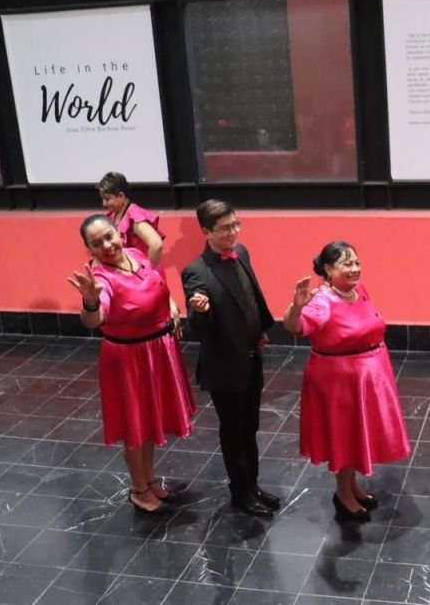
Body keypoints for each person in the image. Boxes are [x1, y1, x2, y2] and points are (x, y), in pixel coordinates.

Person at [66, 215, 195, 513]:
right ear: (89, 249)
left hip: (157, 350)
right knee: (135, 426)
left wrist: (171, 306)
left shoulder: (136, 254)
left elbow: (156, 285)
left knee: (149, 420)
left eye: (108, 236)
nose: (106, 246)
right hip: (128, 360)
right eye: (96, 244)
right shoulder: (101, 278)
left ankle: (149, 480)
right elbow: (95, 319)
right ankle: (138, 490)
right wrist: (90, 302)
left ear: (119, 233)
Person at [282, 241, 410, 523]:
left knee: (356, 435)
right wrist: (296, 307)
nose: (354, 269)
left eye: (356, 262)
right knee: (345, 437)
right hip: (339, 382)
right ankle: (343, 494)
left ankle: (352, 486)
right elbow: (295, 327)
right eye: (346, 264)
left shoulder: (357, 290)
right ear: (328, 270)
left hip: (366, 376)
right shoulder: (322, 301)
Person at [181, 200, 279, 518]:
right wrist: (200, 309)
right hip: (224, 367)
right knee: (234, 431)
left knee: (250, 427)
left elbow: (250, 298)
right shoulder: (196, 271)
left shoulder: (242, 253)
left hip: (250, 357)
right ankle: (240, 493)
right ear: (206, 231)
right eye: (225, 228)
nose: (233, 232)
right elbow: (198, 327)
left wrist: (260, 330)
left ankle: (253, 486)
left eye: (235, 225)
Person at [97, 171, 165, 268]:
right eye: (103, 199)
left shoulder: (135, 217)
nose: (104, 204)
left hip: (139, 274)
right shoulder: (113, 215)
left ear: (121, 195)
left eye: (107, 199)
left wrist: (146, 272)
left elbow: (156, 245)